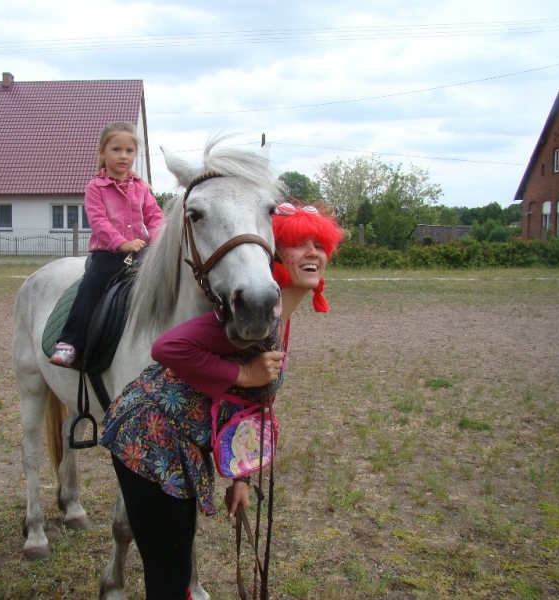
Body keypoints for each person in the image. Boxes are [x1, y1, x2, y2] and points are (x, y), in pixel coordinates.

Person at [100, 201, 344, 600]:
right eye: (300, 243)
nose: (313, 252)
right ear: (273, 254)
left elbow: (253, 404)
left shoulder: (274, 314)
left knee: (175, 563)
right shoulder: (242, 312)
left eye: (319, 243)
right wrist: (243, 373)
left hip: (180, 443)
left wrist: (241, 477)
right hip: (147, 437)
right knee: (170, 572)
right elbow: (168, 346)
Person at [50, 122, 164, 368]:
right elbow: (98, 221)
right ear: (102, 152)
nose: (123, 156)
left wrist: (159, 241)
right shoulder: (95, 187)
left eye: (129, 151)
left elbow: (154, 216)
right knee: (91, 285)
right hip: (107, 252)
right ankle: (70, 342)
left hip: (140, 249)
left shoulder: (140, 187)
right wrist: (121, 243)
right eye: (116, 149)